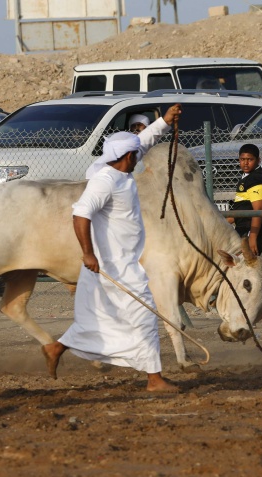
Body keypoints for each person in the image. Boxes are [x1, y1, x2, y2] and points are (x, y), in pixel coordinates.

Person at [44, 104, 183, 393]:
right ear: (127, 157)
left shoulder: (119, 167)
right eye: (135, 156)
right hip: (114, 267)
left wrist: (164, 122)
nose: (139, 160)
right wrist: (87, 253)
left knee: (104, 321)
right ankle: (154, 379)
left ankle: (57, 347)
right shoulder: (104, 181)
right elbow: (80, 214)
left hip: (123, 263)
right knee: (144, 316)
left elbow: (141, 143)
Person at [226, 144, 262, 256]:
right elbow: (242, 209)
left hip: (254, 230)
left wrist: (252, 236)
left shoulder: (255, 179)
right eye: (242, 159)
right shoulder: (247, 177)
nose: (245, 163)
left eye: (250, 159)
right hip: (243, 228)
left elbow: (259, 209)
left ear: (258, 160)